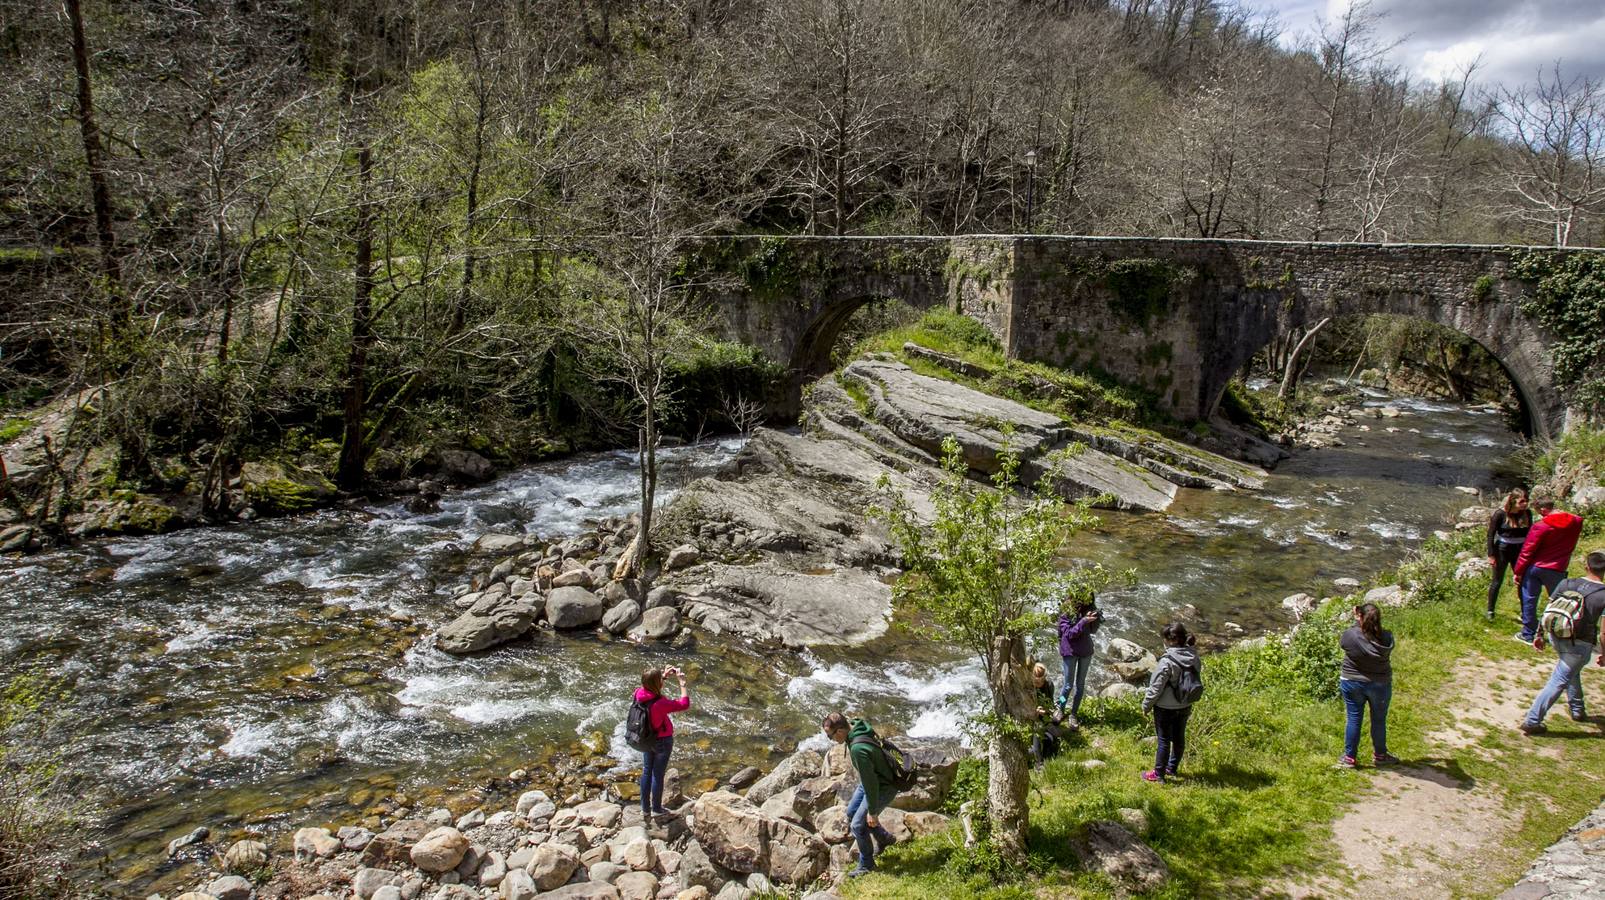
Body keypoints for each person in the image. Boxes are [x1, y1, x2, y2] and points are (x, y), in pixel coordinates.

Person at [1519, 551, 1605, 735]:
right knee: (1559, 679)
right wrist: (1604, 653)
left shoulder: (1567, 583)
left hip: (1557, 636)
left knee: (1570, 671)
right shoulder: (1603, 594)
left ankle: (1577, 709)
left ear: (1586, 566)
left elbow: (1549, 608)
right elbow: (1604, 632)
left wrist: (1538, 634)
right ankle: (1532, 721)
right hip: (1580, 645)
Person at [822, 712, 898, 878]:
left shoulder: (857, 748)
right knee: (850, 813)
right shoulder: (855, 724)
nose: (831, 740)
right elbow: (868, 780)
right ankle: (884, 838)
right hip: (872, 780)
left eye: (830, 736)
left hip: (882, 786)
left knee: (857, 825)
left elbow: (872, 785)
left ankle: (867, 864)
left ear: (840, 732)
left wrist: (872, 811)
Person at [1514, 491, 1585, 642]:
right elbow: (1576, 518)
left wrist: (1518, 571)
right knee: (1560, 601)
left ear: (1544, 510)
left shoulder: (1541, 526)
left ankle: (1528, 634)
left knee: (1530, 600)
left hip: (1536, 568)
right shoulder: (1575, 522)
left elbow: (1527, 550)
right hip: (1558, 568)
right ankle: (1560, 631)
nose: (1540, 515)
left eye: (1540, 512)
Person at [1338, 602, 1398, 768]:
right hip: (1380, 684)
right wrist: (1361, 618)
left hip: (1352, 681)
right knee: (1378, 720)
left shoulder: (1350, 635)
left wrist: (1356, 621)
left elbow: (1344, 642)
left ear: (1360, 617)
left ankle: (1349, 758)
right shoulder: (1387, 637)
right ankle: (1380, 755)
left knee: (1354, 719)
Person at [1141, 623, 1201, 783]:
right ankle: (1172, 768)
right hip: (1185, 703)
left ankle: (1158, 774)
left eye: (1164, 639)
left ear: (1171, 640)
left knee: (1163, 740)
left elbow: (1155, 688)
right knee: (1179, 738)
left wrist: (1146, 706)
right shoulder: (1193, 656)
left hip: (1165, 708)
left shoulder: (1167, 661)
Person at [634, 666, 690, 821]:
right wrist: (682, 683)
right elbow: (684, 704)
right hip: (662, 741)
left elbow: (649, 686)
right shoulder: (660, 703)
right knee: (657, 775)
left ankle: (645, 809)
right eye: (661, 679)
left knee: (646, 772)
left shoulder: (638, 694)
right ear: (657, 684)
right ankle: (656, 809)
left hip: (646, 739)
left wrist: (663, 677)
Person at [1486, 488, 1533, 622]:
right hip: (1502, 549)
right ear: (1513, 501)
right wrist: (1491, 555)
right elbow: (1490, 534)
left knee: (1522, 581)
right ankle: (1490, 610)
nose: (1525, 504)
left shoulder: (1527, 513)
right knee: (1497, 581)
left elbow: (1531, 533)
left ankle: (1525, 612)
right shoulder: (1500, 514)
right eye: (1522, 501)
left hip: (1520, 550)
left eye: (1526, 501)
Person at [1056, 597, 1103, 725]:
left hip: (1086, 651)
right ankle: (1060, 707)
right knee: (1067, 685)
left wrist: (1096, 618)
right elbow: (1070, 634)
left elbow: (1093, 630)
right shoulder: (1066, 612)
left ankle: (1074, 714)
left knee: (1080, 685)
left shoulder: (1088, 610)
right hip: (1069, 652)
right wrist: (1083, 621)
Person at [1029, 662, 1065, 763]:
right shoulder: (1028, 687)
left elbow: (1051, 702)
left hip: (1045, 714)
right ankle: (1039, 763)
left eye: (1040, 682)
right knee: (1038, 729)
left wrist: (1048, 710)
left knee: (1055, 723)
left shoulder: (1049, 685)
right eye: (1036, 682)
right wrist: (1035, 710)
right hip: (1033, 717)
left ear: (1044, 678)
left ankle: (1047, 744)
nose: (1038, 685)